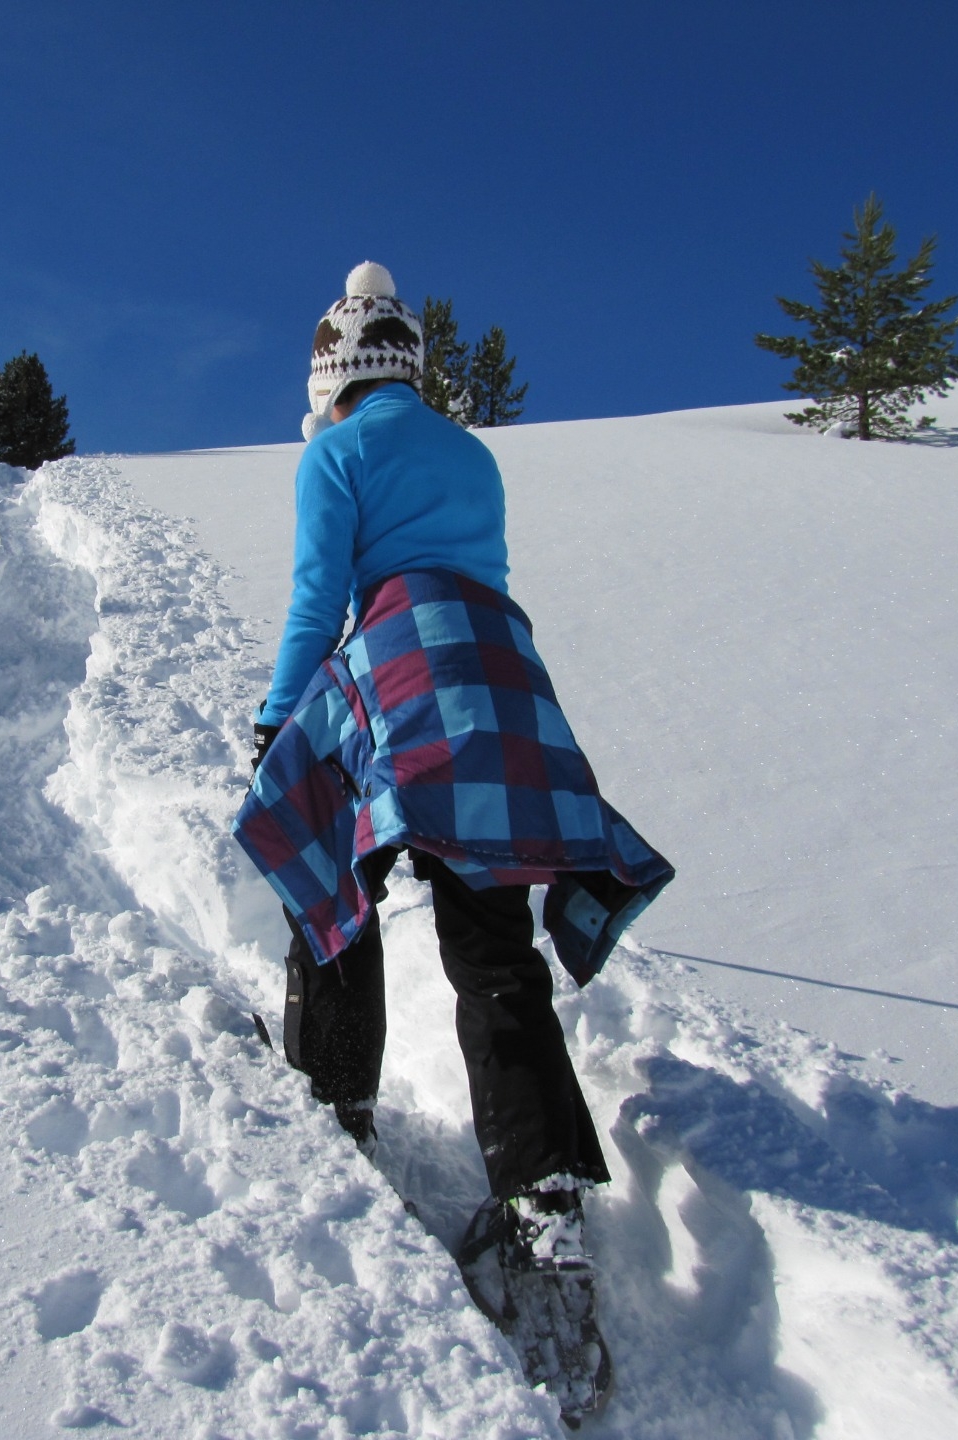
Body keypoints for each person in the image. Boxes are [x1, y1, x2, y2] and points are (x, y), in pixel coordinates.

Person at [232, 261, 673, 1425]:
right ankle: (543, 1203)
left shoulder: (335, 454)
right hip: (506, 681)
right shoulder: (472, 456)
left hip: (405, 668)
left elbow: (318, 596)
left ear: (332, 374)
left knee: (331, 865)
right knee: (494, 945)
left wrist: (280, 717)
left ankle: (334, 1096)